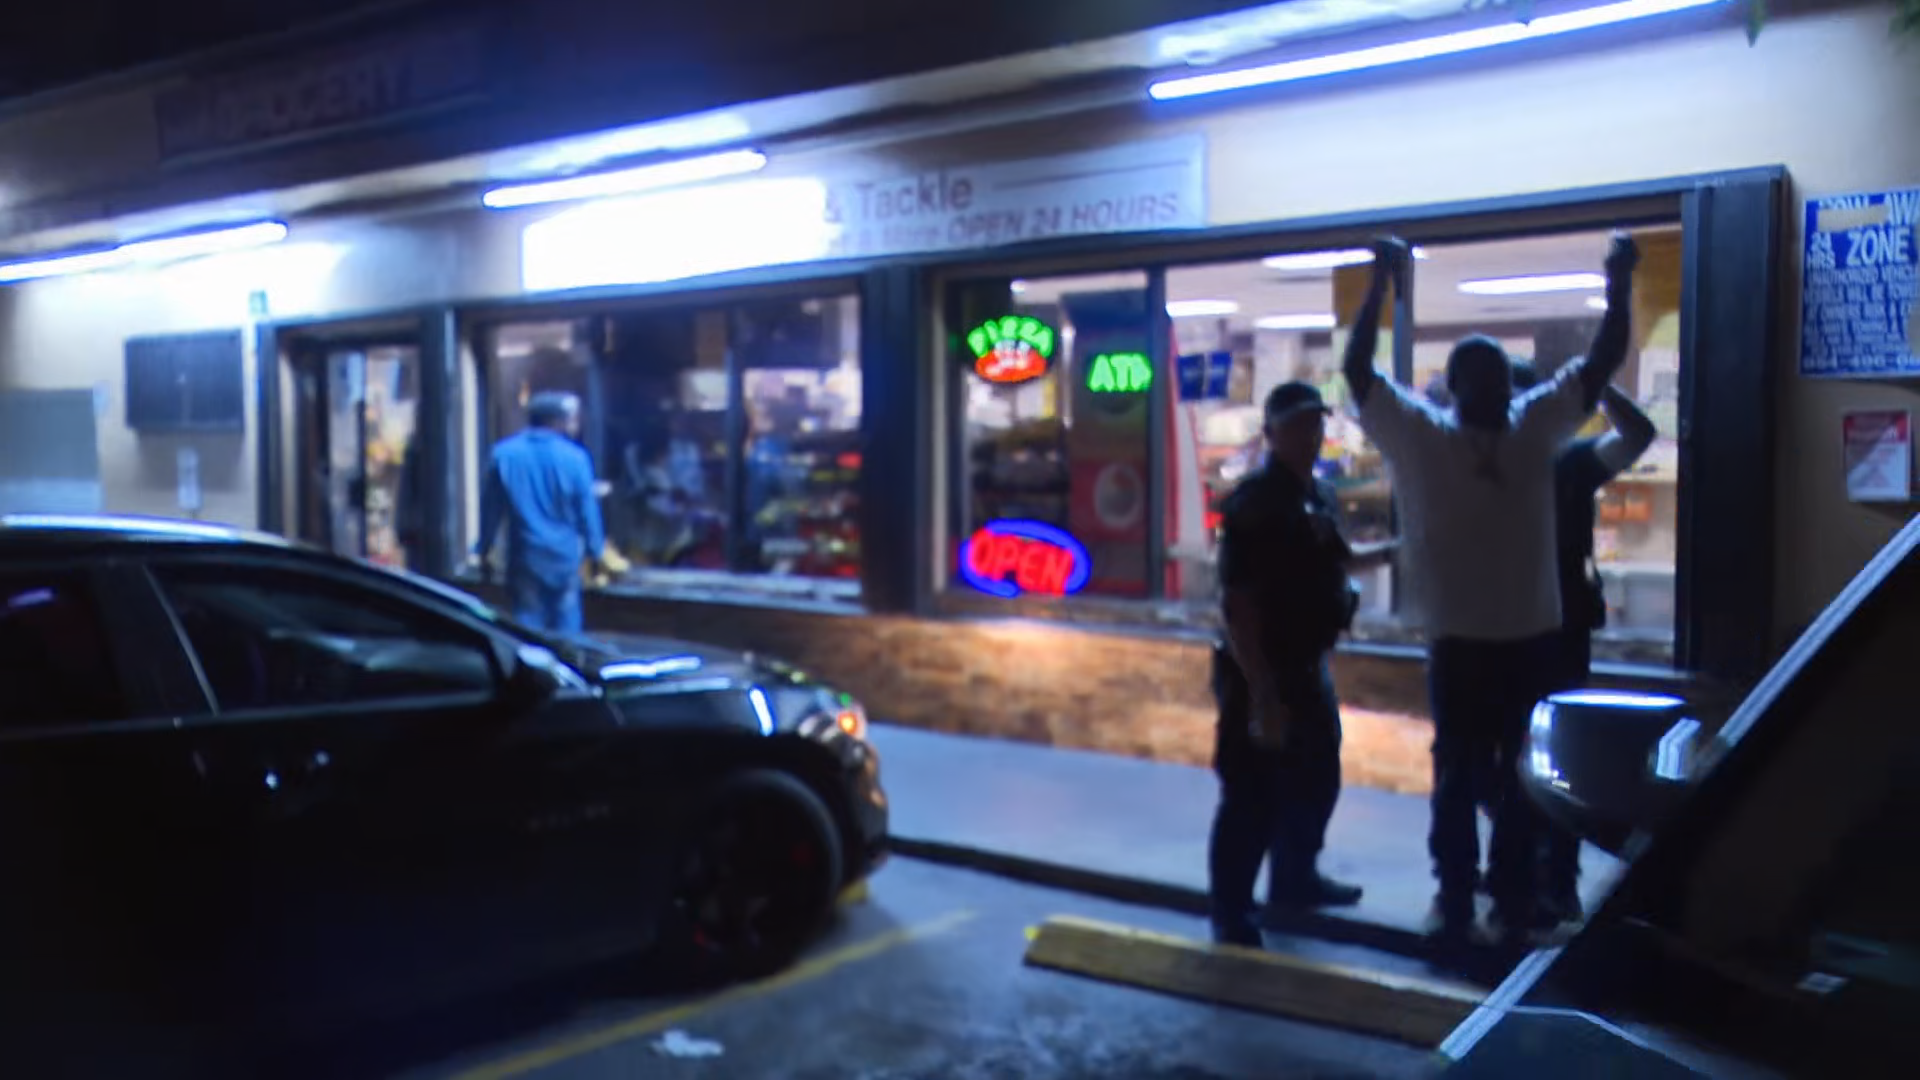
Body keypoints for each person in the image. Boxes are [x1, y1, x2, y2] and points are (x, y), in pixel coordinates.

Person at [1342, 233, 1640, 944]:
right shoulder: (1528, 427)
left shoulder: (1425, 434)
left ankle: (1459, 899)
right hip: (1525, 639)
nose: (1498, 391)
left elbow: (1356, 369)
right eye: (1493, 381)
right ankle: (1504, 900)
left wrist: (1379, 285)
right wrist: (1618, 280)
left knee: (1461, 774)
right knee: (1510, 779)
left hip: (1463, 641)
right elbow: (1603, 358)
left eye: (1497, 380)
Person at [1207, 381, 1395, 947]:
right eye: (1297, 425)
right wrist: (1262, 692)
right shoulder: (1255, 503)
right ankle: (1232, 911)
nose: (1310, 435)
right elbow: (1239, 606)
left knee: (1316, 775)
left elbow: (1338, 559)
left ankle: (1295, 877)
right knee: (1252, 793)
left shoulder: (1318, 495)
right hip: (1260, 670)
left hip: (1306, 664)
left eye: (1315, 424)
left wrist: (1397, 552)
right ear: (1271, 433)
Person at [1510, 359, 1657, 923]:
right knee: (1533, 756)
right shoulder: (1543, 464)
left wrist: (1594, 384)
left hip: (1546, 629)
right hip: (1521, 629)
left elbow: (1637, 435)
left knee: (1547, 756)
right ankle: (1532, 881)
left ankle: (1548, 882)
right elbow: (1637, 435)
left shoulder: (1567, 463)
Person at [474, 391, 605, 635]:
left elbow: (490, 510)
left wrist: (484, 549)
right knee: (567, 629)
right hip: (564, 557)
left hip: (525, 556)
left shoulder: (504, 455)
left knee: (527, 627)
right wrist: (595, 552)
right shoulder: (576, 458)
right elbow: (587, 511)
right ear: (557, 421)